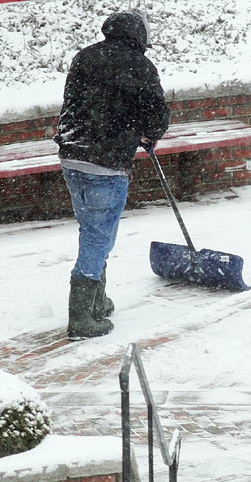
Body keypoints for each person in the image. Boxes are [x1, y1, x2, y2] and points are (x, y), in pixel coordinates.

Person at [54, 9, 170, 339]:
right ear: (140, 36)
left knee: (91, 228)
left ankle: (97, 300)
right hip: (106, 164)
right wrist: (148, 133)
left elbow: (82, 104)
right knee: (98, 236)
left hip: (72, 157)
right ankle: (81, 319)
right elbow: (155, 117)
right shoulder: (140, 66)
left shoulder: (84, 57)